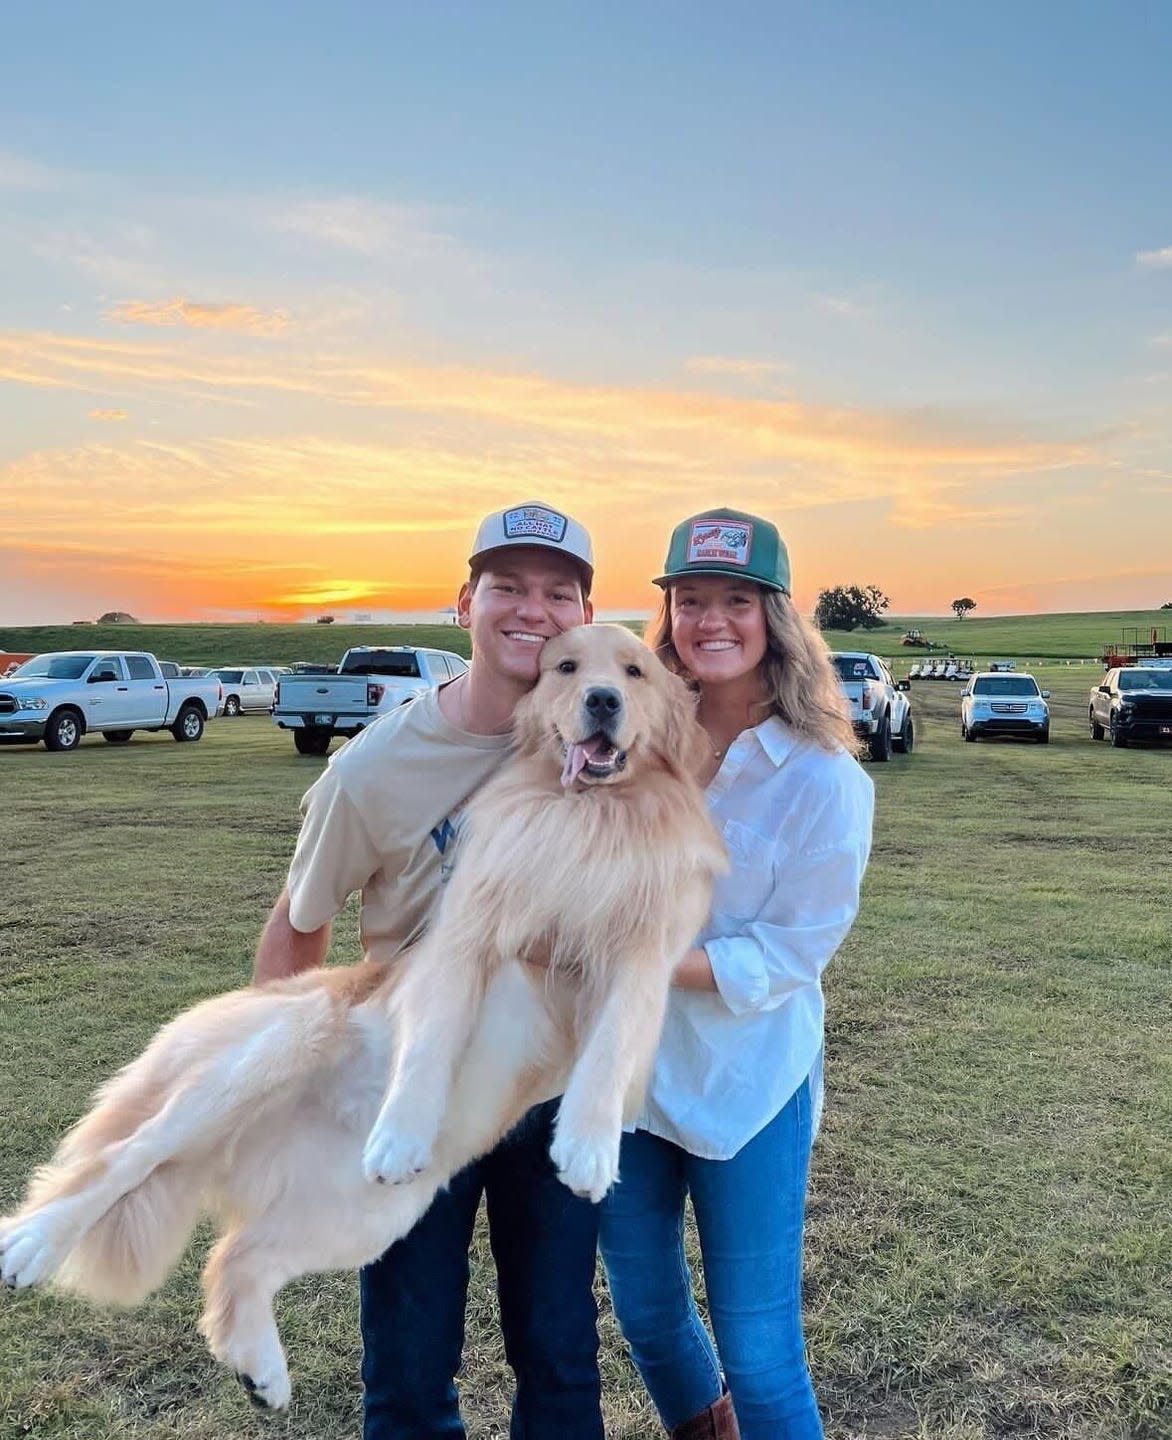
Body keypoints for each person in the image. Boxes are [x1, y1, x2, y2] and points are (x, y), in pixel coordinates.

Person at [253, 501, 605, 1440]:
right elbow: (298, 926)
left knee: (562, 1358)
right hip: (410, 1097)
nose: (532, 610)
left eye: (558, 592)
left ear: (585, 616)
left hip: (548, 1095)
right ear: (465, 603)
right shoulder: (372, 770)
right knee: (409, 1371)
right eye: (508, 587)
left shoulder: (606, 747)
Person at [598, 507, 875, 1440]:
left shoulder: (823, 778)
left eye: (736, 601)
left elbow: (796, 949)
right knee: (646, 1314)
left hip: (747, 1082)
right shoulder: (631, 743)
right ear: (666, 615)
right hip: (627, 1078)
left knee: (759, 1352)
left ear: (777, 619)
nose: (710, 621)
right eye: (688, 600)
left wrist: (644, 963)